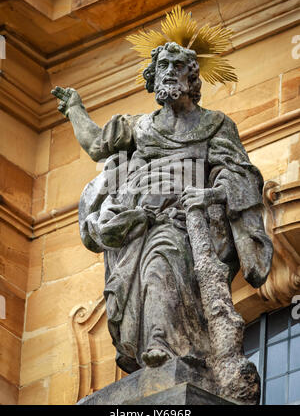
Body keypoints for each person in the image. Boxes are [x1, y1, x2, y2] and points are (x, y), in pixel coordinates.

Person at [51, 42, 273, 378]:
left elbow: (238, 173)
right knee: (139, 271)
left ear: (191, 77)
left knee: (163, 254)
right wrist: (75, 110)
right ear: (153, 77)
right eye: (163, 66)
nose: (169, 71)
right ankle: (153, 345)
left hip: (184, 216)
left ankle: (162, 345)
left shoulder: (214, 124)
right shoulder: (140, 126)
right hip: (138, 216)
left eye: (178, 65)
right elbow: (97, 145)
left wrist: (209, 195)